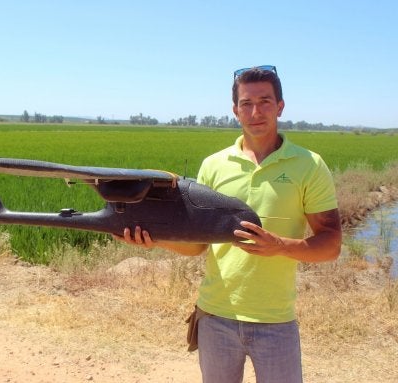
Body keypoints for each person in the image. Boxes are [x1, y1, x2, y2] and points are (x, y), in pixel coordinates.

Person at [115, 65, 342, 382]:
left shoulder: (309, 165)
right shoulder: (214, 165)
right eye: (246, 103)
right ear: (235, 110)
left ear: (280, 106)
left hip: (275, 321)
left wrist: (280, 246)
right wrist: (155, 239)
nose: (255, 111)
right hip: (215, 317)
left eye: (265, 101)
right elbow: (197, 245)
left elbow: (330, 244)